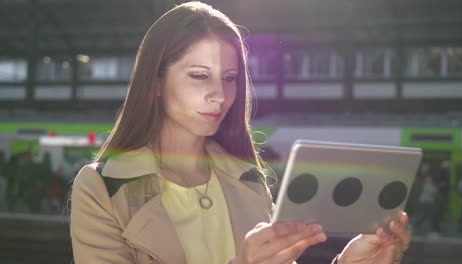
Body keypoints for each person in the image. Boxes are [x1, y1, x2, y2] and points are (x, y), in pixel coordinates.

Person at [70, 2, 411, 264]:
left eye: (230, 78)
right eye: (200, 76)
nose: (219, 94)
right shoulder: (101, 188)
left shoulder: (249, 180)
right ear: (156, 81)